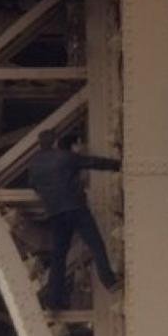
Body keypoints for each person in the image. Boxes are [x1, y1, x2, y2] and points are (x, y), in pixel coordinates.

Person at [27, 129, 122, 310]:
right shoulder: (64, 157)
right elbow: (93, 162)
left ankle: (54, 301)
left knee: (58, 258)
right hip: (76, 209)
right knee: (95, 244)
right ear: (55, 142)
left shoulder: (35, 165)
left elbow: (33, 184)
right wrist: (118, 164)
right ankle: (109, 281)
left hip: (55, 214)